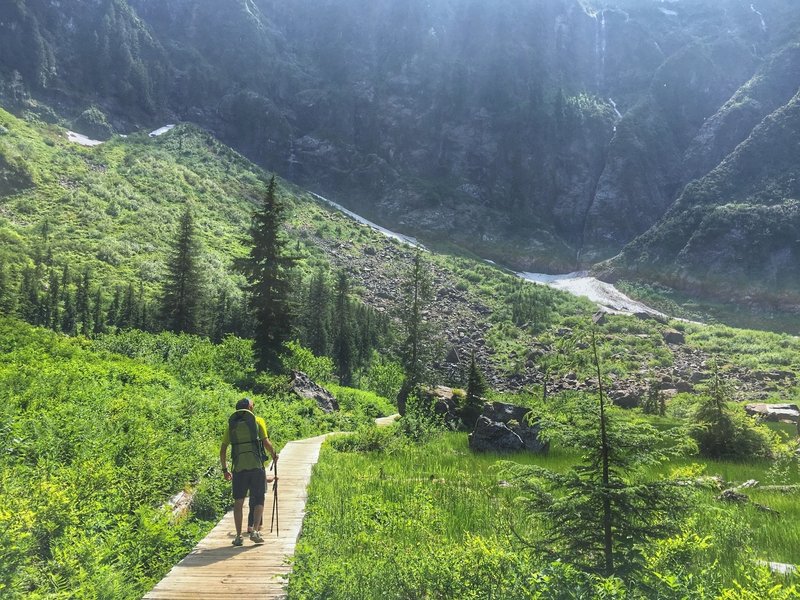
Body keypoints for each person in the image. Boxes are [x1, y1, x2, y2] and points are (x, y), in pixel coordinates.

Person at [220, 397, 277, 546]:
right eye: (253, 405)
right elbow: (265, 442)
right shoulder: (258, 421)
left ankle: (239, 536)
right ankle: (255, 531)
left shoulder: (231, 425)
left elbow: (223, 450)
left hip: (238, 468)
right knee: (258, 498)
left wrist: (225, 470)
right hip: (256, 466)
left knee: (238, 502)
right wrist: (273, 454)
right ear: (249, 408)